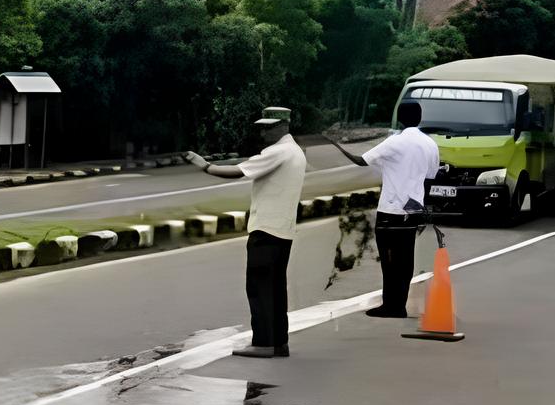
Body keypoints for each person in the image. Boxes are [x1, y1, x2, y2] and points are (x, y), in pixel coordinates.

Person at [187, 114, 307, 359]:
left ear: (281, 126)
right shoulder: (295, 151)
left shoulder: (279, 151)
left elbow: (237, 171)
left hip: (266, 230)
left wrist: (205, 166)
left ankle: (263, 343)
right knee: (275, 289)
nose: (262, 134)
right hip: (282, 231)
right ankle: (278, 343)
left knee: (259, 288)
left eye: (266, 129)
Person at [325, 102, 440, 319]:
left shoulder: (395, 142)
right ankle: (400, 304)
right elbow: (430, 177)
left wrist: (337, 148)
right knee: (406, 258)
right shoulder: (430, 144)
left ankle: (391, 306)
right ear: (420, 117)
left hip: (391, 209)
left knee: (389, 260)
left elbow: (362, 160)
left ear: (400, 118)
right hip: (413, 209)